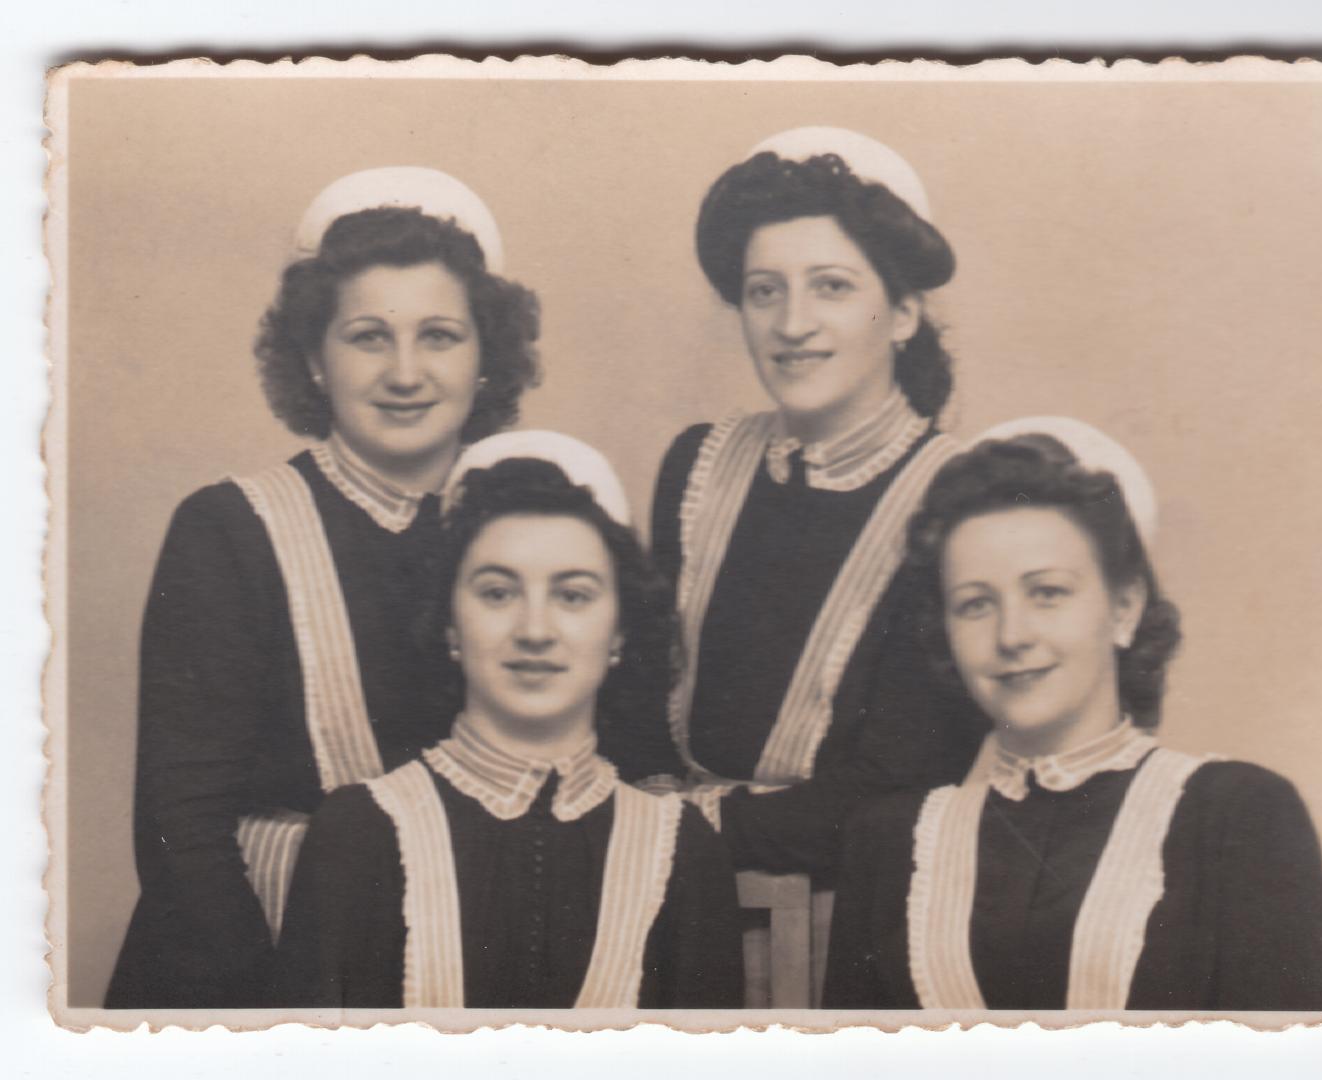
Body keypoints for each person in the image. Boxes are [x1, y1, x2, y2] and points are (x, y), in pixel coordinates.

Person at [106, 167, 542, 1008]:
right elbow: (181, 829)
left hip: (473, 964)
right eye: (368, 337)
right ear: (312, 358)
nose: (405, 372)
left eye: (440, 336)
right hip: (259, 959)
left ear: (487, 357)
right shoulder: (229, 529)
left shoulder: (530, 532)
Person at [823, 418, 1322, 1011]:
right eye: (975, 605)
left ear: (1124, 608)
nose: (1012, 635)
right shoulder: (891, 841)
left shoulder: (1236, 815)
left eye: (1047, 593)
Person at [277, 438, 744, 1008]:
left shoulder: (680, 849)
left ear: (620, 630)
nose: (535, 630)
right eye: (497, 593)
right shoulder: (362, 831)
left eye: (573, 596)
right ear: (449, 622)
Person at [649, 127, 990, 876]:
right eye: (764, 291)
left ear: (904, 313)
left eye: (831, 286)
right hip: (668, 880)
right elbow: (631, 698)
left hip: (852, 898)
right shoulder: (698, 466)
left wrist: (664, 829)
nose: (791, 324)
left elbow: (898, 781)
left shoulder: (959, 500)